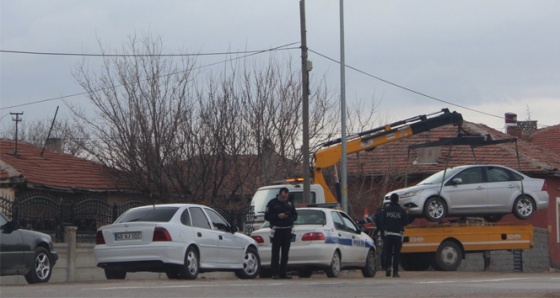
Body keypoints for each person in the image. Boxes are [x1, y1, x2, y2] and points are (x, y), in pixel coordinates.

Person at [265, 187, 298, 279]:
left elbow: (295, 214)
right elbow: (267, 216)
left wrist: (290, 218)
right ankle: (275, 273)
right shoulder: (272, 203)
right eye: (283, 197)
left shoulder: (290, 203)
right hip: (277, 230)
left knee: (285, 252)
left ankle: (283, 273)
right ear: (279, 194)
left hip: (287, 229)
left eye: (286, 197)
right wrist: (277, 216)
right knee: (275, 252)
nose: (284, 199)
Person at [380, 193, 408, 277]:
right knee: (396, 254)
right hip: (398, 235)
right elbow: (406, 222)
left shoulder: (386, 209)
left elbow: (382, 221)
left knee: (388, 252)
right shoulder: (402, 210)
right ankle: (395, 272)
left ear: (391, 200)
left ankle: (388, 267)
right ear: (398, 200)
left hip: (388, 234)